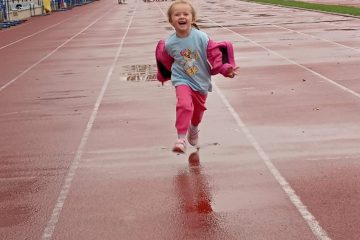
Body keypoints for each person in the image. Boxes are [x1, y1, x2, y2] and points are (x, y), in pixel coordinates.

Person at [157, 0, 237, 154]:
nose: (182, 16)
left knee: (198, 113)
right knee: (184, 105)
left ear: (192, 18)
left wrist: (226, 69)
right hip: (182, 79)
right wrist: (164, 76)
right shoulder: (170, 44)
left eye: (185, 14)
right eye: (177, 14)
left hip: (201, 81)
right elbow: (166, 62)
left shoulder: (201, 37)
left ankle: (193, 128)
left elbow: (215, 55)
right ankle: (181, 138)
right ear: (171, 20)